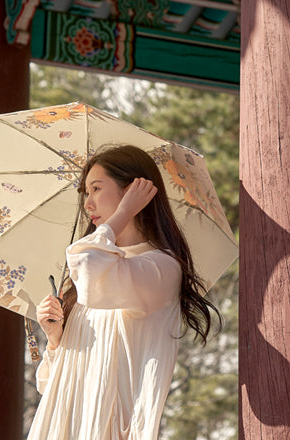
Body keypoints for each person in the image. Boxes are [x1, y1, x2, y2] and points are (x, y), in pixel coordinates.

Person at [27, 145, 221, 440]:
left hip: (109, 428)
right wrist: (55, 339)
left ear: (134, 191)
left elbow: (90, 262)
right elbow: (55, 385)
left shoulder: (159, 267)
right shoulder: (100, 270)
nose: (88, 204)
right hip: (62, 427)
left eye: (95, 189)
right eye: (85, 193)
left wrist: (123, 213)